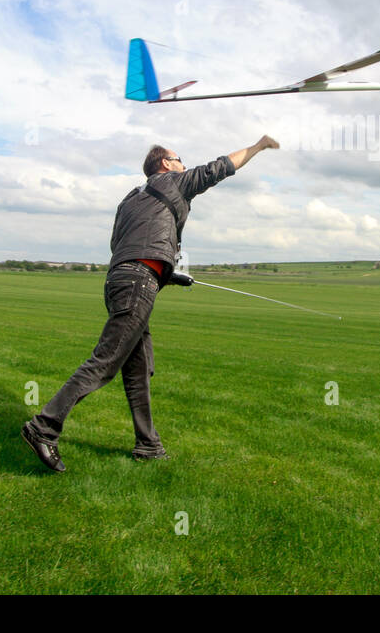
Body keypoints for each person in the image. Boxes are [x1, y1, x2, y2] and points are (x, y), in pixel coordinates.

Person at [21, 135, 280, 471]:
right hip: (137, 283)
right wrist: (258, 146)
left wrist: (167, 272)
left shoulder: (129, 202)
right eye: (179, 159)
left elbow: (123, 245)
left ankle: (148, 445)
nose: (184, 165)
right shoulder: (173, 182)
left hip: (121, 281)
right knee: (105, 362)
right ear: (165, 164)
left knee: (138, 370)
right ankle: (43, 427)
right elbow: (220, 168)